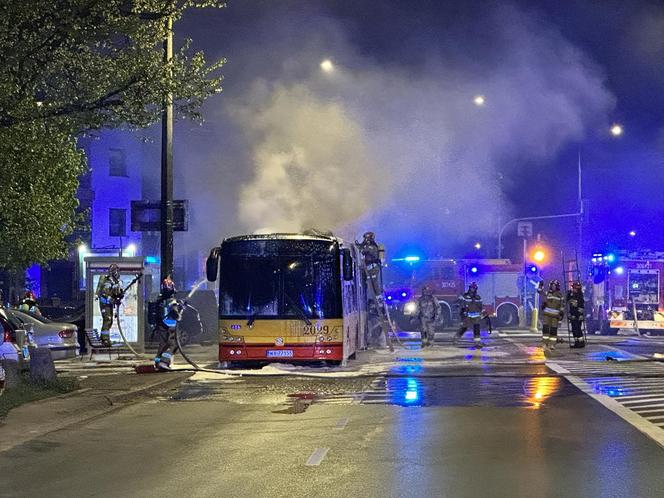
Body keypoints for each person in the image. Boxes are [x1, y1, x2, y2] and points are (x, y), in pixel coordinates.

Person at [153, 276, 182, 370]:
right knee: (173, 345)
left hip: (161, 326)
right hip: (170, 327)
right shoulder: (172, 301)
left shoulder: (160, 300)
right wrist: (180, 309)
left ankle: (157, 363)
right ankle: (164, 362)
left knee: (162, 345)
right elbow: (176, 314)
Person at [95, 263, 122, 347]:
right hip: (104, 302)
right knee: (107, 319)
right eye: (115, 271)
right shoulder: (105, 278)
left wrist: (120, 294)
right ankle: (104, 339)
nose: (117, 273)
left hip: (109, 303)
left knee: (110, 321)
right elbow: (102, 292)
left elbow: (116, 293)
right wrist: (112, 300)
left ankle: (105, 337)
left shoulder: (115, 281)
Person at [455, 282, 484, 347]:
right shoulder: (464, 296)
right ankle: (456, 338)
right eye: (471, 288)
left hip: (476, 316)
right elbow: (458, 303)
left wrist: (482, 314)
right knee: (464, 328)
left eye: (474, 288)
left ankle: (477, 342)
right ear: (469, 288)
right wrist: (461, 312)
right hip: (467, 316)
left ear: (476, 288)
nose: (472, 289)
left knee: (477, 328)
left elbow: (481, 307)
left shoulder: (478, 297)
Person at [539, 279, 564, 351]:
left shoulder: (560, 295)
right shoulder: (548, 293)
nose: (553, 287)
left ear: (557, 287)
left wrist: (561, 313)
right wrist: (540, 285)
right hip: (547, 315)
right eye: (552, 285)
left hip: (555, 316)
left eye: (554, 286)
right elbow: (540, 291)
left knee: (553, 331)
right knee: (545, 330)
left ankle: (552, 344)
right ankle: (545, 343)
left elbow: (562, 304)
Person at [566, 281, 586, 348]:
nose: (573, 289)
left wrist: (580, 315)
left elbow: (581, 307)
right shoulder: (571, 295)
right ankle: (576, 342)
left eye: (574, 288)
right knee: (574, 329)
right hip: (572, 315)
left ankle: (581, 342)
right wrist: (568, 294)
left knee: (578, 329)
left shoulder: (580, 296)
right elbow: (567, 301)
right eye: (573, 288)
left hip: (577, 315)